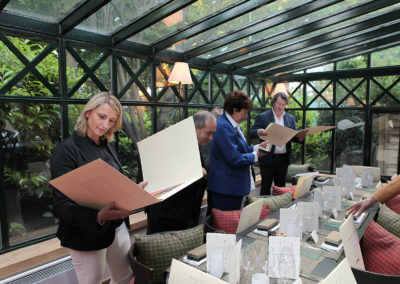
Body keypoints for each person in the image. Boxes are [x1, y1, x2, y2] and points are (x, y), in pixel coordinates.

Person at [51, 92, 147, 284]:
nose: (105, 125)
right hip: (84, 232)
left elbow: (111, 184)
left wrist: (132, 192)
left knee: (125, 277)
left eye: (111, 120)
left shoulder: (106, 144)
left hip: (117, 226)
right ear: (87, 113)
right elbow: (61, 206)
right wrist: (97, 216)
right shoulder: (66, 150)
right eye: (101, 117)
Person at [145, 110, 217, 234]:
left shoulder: (194, 143)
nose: (211, 138)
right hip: (167, 218)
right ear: (195, 128)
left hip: (185, 216)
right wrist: (191, 169)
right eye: (208, 133)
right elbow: (155, 175)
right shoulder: (170, 141)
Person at [207, 90, 268, 211]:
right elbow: (234, 158)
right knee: (225, 226)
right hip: (226, 189)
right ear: (235, 109)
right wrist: (256, 155)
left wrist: (256, 147)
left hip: (230, 187)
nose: (246, 116)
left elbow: (240, 149)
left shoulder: (230, 124)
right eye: (245, 112)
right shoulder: (224, 127)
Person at [249, 92, 307, 195]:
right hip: (267, 158)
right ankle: (265, 209)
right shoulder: (263, 117)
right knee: (265, 187)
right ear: (273, 103)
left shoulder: (290, 118)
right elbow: (251, 133)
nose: (280, 107)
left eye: (283, 105)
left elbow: (293, 137)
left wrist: (300, 137)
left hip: (283, 159)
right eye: (278, 104)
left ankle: (280, 210)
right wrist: (259, 132)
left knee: (281, 188)